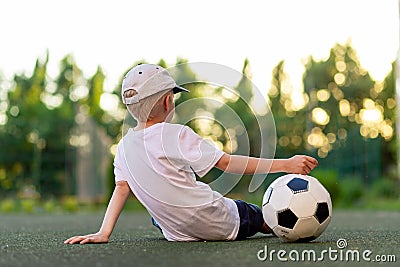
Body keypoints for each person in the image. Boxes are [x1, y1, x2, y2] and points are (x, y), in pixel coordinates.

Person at [64, 63, 318, 244]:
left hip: (176, 231)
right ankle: (285, 227)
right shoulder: (175, 134)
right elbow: (227, 163)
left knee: (156, 217)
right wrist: (286, 163)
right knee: (253, 214)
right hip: (219, 220)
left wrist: (103, 232)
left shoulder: (123, 148)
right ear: (167, 102)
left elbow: (121, 189)